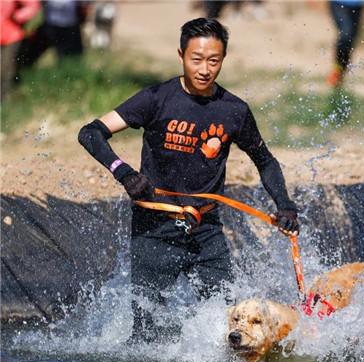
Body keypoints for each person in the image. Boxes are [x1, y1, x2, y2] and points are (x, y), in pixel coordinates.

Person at [78, 18, 300, 343]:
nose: (205, 69)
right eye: (196, 59)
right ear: (181, 55)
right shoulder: (155, 99)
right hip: (153, 229)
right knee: (147, 337)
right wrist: (124, 173)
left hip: (207, 231)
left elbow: (264, 160)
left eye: (214, 60)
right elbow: (90, 133)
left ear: (223, 58)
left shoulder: (234, 111)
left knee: (229, 328)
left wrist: (286, 205)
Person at [17, 0, 89, 69]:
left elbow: (84, 7)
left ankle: (70, 75)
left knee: (72, 59)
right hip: (51, 25)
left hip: (69, 27)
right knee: (29, 53)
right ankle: (21, 71)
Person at [0, 0, 41, 101]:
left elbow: (33, 6)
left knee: (5, 69)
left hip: (11, 37)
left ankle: (4, 100)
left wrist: (17, 17)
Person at [327, 0, 364, 87]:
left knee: (351, 41)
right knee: (346, 33)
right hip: (339, 4)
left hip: (358, 5)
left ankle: (341, 71)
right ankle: (337, 69)